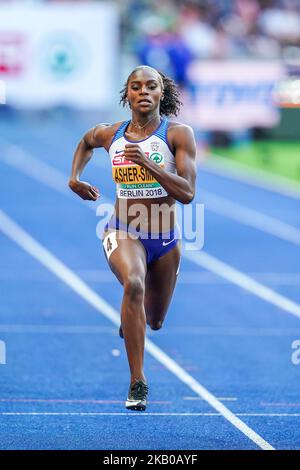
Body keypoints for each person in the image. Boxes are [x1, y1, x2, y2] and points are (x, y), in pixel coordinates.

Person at [69, 65, 196, 411]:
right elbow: (85, 141)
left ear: (161, 94)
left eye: (150, 86)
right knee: (134, 284)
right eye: (136, 87)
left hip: (165, 237)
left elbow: (187, 194)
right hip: (123, 230)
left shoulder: (178, 135)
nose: (143, 92)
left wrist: (150, 165)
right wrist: (75, 178)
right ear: (127, 94)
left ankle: (131, 318)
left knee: (154, 320)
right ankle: (137, 381)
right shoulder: (111, 134)